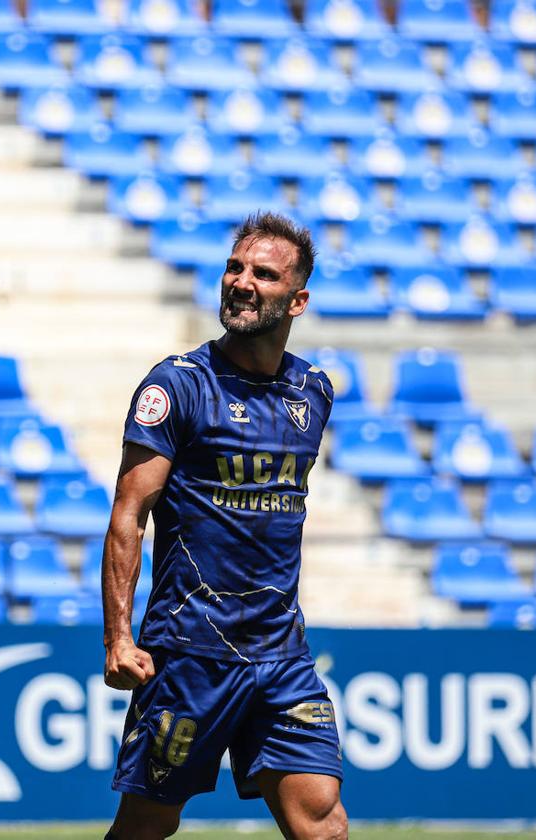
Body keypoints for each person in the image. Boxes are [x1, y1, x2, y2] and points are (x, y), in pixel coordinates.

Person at [102, 211, 346, 840]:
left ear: (298, 299)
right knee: (146, 826)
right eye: (235, 268)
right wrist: (119, 639)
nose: (241, 282)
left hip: (282, 653)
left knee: (323, 823)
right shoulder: (178, 385)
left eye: (263, 274)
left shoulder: (313, 392)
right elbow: (129, 516)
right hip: (190, 653)